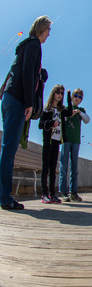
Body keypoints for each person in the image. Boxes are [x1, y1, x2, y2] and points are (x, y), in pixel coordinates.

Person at [0, 15, 51, 210]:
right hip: (17, 100)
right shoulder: (34, 44)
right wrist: (30, 103)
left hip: (9, 98)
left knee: (8, 149)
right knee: (9, 150)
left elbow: (20, 70)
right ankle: (4, 198)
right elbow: (28, 73)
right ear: (41, 28)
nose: (48, 35)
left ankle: (4, 195)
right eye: (48, 30)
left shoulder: (25, 46)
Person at [39, 85, 73, 203]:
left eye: (62, 93)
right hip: (48, 141)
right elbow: (41, 124)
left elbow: (69, 112)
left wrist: (69, 96)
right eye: (58, 92)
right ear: (53, 93)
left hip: (56, 141)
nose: (60, 95)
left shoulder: (61, 110)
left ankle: (52, 194)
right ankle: (44, 193)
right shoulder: (47, 109)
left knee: (53, 168)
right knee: (46, 168)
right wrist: (51, 123)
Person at [59, 88, 90, 202]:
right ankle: (63, 192)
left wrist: (80, 112)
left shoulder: (81, 110)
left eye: (80, 97)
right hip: (66, 140)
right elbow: (63, 119)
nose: (77, 98)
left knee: (74, 167)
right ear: (71, 97)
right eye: (76, 96)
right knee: (63, 166)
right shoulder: (66, 108)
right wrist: (70, 113)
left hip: (76, 141)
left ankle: (74, 192)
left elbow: (87, 120)